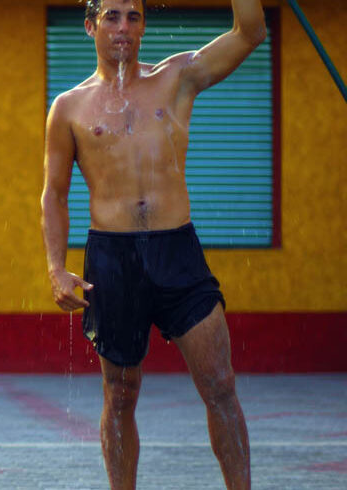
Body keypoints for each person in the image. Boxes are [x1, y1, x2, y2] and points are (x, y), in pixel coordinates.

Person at [40, 0, 265, 489]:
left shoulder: (177, 77)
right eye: (112, 16)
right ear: (90, 26)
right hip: (112, 259)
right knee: (120, 394)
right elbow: (54, 195)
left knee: (220, 384)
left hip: (177, 251)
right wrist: (56, 268)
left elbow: (249, 32)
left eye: (134, 16)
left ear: (144, 26)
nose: (123, 26)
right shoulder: (69, 107)